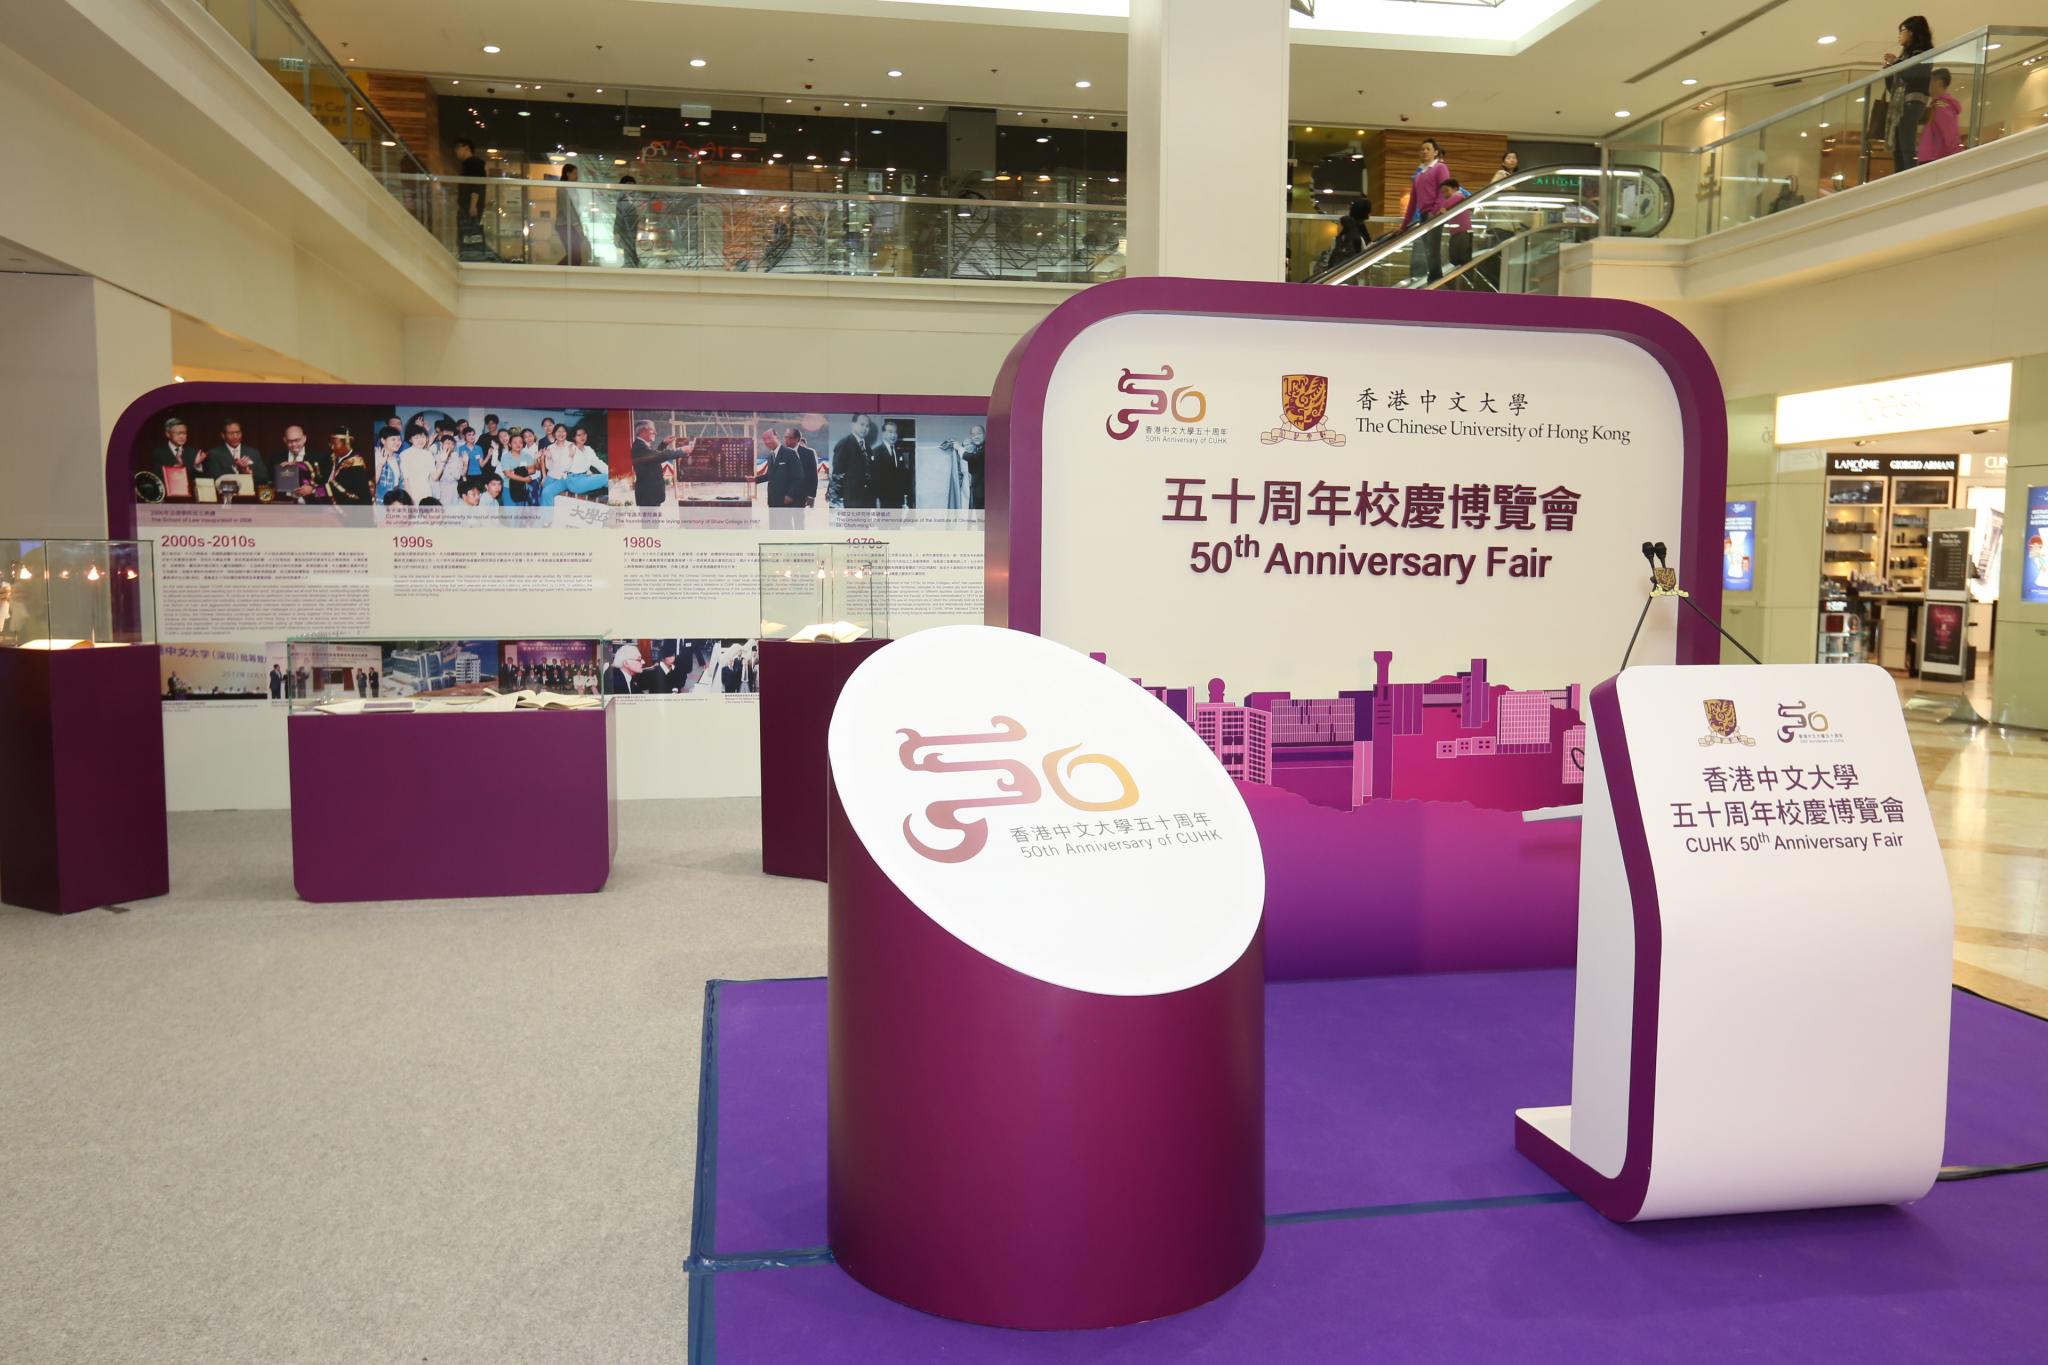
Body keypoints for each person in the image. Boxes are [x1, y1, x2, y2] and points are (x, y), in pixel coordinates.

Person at [1883, 16, 1936, 175]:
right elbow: (1893, 88)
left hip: (1913, 101)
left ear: (1912, 32)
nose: (1899, 35)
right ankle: (1900, 176)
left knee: (1906, 142)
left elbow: (1913, 74)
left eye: (1902, 31)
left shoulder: (1923, 53)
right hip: (1900, 103)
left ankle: (1908, 176)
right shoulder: (1904, 57)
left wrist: (1895, 64)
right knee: (1898, 144)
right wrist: (1888, 71)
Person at [1400, 137, 1453, 283]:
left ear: (1435, 152)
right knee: (1428, 251)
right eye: (1422, 149)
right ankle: (1432, 281)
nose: (1424, 151)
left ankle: (1436, 282)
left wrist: (1434, 212)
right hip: (1424, 215)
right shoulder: (1419, 175)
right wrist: (1403, 226)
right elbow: (1413, 202)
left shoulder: (1440, 167)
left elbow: (1444, 191)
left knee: (1433, 251)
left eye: (1428, 149)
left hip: (1434, 215)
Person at [539, 425, 608, 505]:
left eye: (584, 434)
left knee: (609, 477)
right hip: (572, 480)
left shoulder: (588, 449)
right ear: (574, 437)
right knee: (546, 492)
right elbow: (564, 468)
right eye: (579, 435)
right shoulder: (569, 448)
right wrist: (570, 456)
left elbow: (599, 463)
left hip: (582, 478)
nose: (582, 437)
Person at [764, 424, 819, 523]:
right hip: (784, 496)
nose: (786, 440)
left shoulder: (808, 453)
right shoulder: (779, 453)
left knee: (799, 522)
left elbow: (813, 476)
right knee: (785, 523)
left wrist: (811, 496)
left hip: (800, 495)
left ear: (797, 439)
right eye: (785, 437)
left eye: (789, 438)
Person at [203, 420, 270, 488]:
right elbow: (215, 479)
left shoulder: (254, 453)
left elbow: (264, 478)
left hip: (250, 493)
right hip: (226, 493)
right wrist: (238, 471)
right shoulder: (214, 454)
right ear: (223, 435)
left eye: (238, 433)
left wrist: (249, 473)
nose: (235, 436)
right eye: (231, 433)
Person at [831, 414, 878, 508]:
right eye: (862, 424)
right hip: (851, 498)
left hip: (868, 499)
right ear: (853, 425)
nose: (864, 428)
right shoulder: (844, 444)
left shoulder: (867, 447)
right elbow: (837, 473)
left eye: (867, 426)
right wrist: (839, 498)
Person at [1917, 68, 1962, 164]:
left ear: (1939, 83)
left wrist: (1958, 157)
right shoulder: (1937, 105)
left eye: (1930, 82)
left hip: (1935, 159)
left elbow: (1950, 133)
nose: (1927, 86)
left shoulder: (1941, 106)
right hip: (1932, 157)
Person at [873, 419, 913, 510]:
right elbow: (875, 479)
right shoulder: (876, 452)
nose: (893, 435)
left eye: (895, 432)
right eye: (890, 432)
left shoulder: (899, 452)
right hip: (883, 500)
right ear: (883, 433)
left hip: (898, 500)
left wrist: (905, 498)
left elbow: (903, 476)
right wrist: (876, 499)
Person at [556, 164, 590, 266]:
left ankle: (562, 272)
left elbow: (575, 209)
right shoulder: (563, 188)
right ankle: (555, 271)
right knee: (574, 256)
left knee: (575, 257)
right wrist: (577, 227)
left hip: (571, 225)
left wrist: (579, 226)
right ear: (568, 173)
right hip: (565, 226)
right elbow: (567, 210)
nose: (577, 176)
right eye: (575, 173)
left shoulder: (572, 188)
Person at [327, 426, 371, 503]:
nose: (332, 447)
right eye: (330, 444)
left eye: (335, 444)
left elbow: (362, 497)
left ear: (347, 443)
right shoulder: (332, 459)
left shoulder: (356, 465)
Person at [1327, 198, 1372, 270]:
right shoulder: (1358, 228)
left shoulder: (1351, 226)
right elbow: (1366, 247)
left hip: (1341, 268)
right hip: (1352, 267)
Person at [630, 419, 667, 507]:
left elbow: (653, 458)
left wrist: (664, 444)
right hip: (648, 496)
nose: (655, 433)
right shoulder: (640, 446)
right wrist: (681, 451)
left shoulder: (642, 445)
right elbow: (658, 457)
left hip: (650, 495)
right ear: (643, 431)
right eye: (652, 430)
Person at [1441, 179, 1474, 272]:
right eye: (1443, 192)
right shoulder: (1453, 201)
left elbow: (1455, 199)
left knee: (1463, 259)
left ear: (1455, 189)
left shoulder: (1459, 196)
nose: (1444, 195)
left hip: (1463, 232)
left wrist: (1442, 207)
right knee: (1456, 259)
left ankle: (1464, 278)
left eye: (1446, 191)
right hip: (1456, 232)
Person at [498, 430, 540, 506]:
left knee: (520, 510)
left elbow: (533, 470)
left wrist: (515, 471)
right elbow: (508, 474)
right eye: (515, 442)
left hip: (522, 488)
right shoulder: (505, 457)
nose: (518, 444)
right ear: (510, 444)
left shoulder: (527, 455)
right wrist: (524, 478)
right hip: (508, 487)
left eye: (520, 442)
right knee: (511, 510)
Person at [431, 431, 467, 507]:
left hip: (454, 488)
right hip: (442, 488)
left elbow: (462, 474)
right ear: (442, 444)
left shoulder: (457, 457)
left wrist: (465, 464)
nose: (450, 446)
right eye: (447, 443)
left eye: (452, 444)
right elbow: (435, 477)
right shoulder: (436, 457)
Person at [614, 174, 643, 268]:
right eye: (629, 185)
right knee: (629, 250)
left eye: (632, 185)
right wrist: (616, 232)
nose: (631, 188)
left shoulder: (632, 200)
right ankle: (631, 266)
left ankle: (632, 266)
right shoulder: (622, 201)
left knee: (631, 250)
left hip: (632, 230)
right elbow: (619, 217)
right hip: (626, 230)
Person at [371, 429, 406, 503]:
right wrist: (380, 465)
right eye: (393, 439)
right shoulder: (376, 454)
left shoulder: (398, 458)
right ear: (383, 440)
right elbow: (372, 483)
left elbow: (401, 482)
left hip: (393, 500)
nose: (397, 442)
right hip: (380, 500)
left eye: (399, 439)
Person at [960, 423, 986, 511]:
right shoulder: (977, 450)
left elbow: (974, 458)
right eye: (973, 435)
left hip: (986, 494)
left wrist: (959, 449)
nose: (976, 437)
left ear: (985, 434)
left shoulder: (987, 448)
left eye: (979, 433)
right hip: (976, 493)